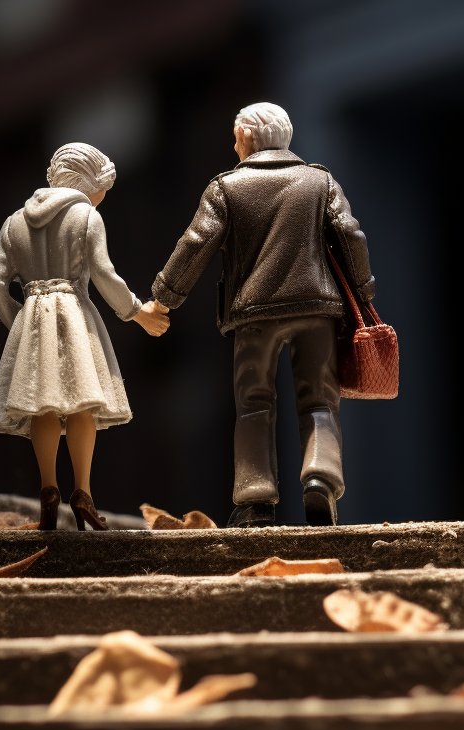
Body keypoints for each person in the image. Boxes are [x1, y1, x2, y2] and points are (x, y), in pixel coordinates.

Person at [149, 103, 375, 527]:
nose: (234, 144)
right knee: (320, 402)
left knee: (254, 404)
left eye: (237, 137)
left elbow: (196, 243)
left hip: (255, 313)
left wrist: (163, 297)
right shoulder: (319, 180)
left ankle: (255, 501)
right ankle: (321, 479)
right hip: (317, 308)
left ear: (250, 139)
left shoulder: (226, 187)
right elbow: (349, 232)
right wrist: (364, 292)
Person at [0, 143, 171, 530]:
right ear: (89, 183)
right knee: (81, 399)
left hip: (33, 312)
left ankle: (49, 488)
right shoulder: (86, 214)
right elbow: (103, 273)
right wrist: (139, 312)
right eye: (103, 185)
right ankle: (83, 491)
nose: (104, 195)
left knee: (43, 402)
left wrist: (18, 324)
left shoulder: (13, 222)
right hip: (72, 313)